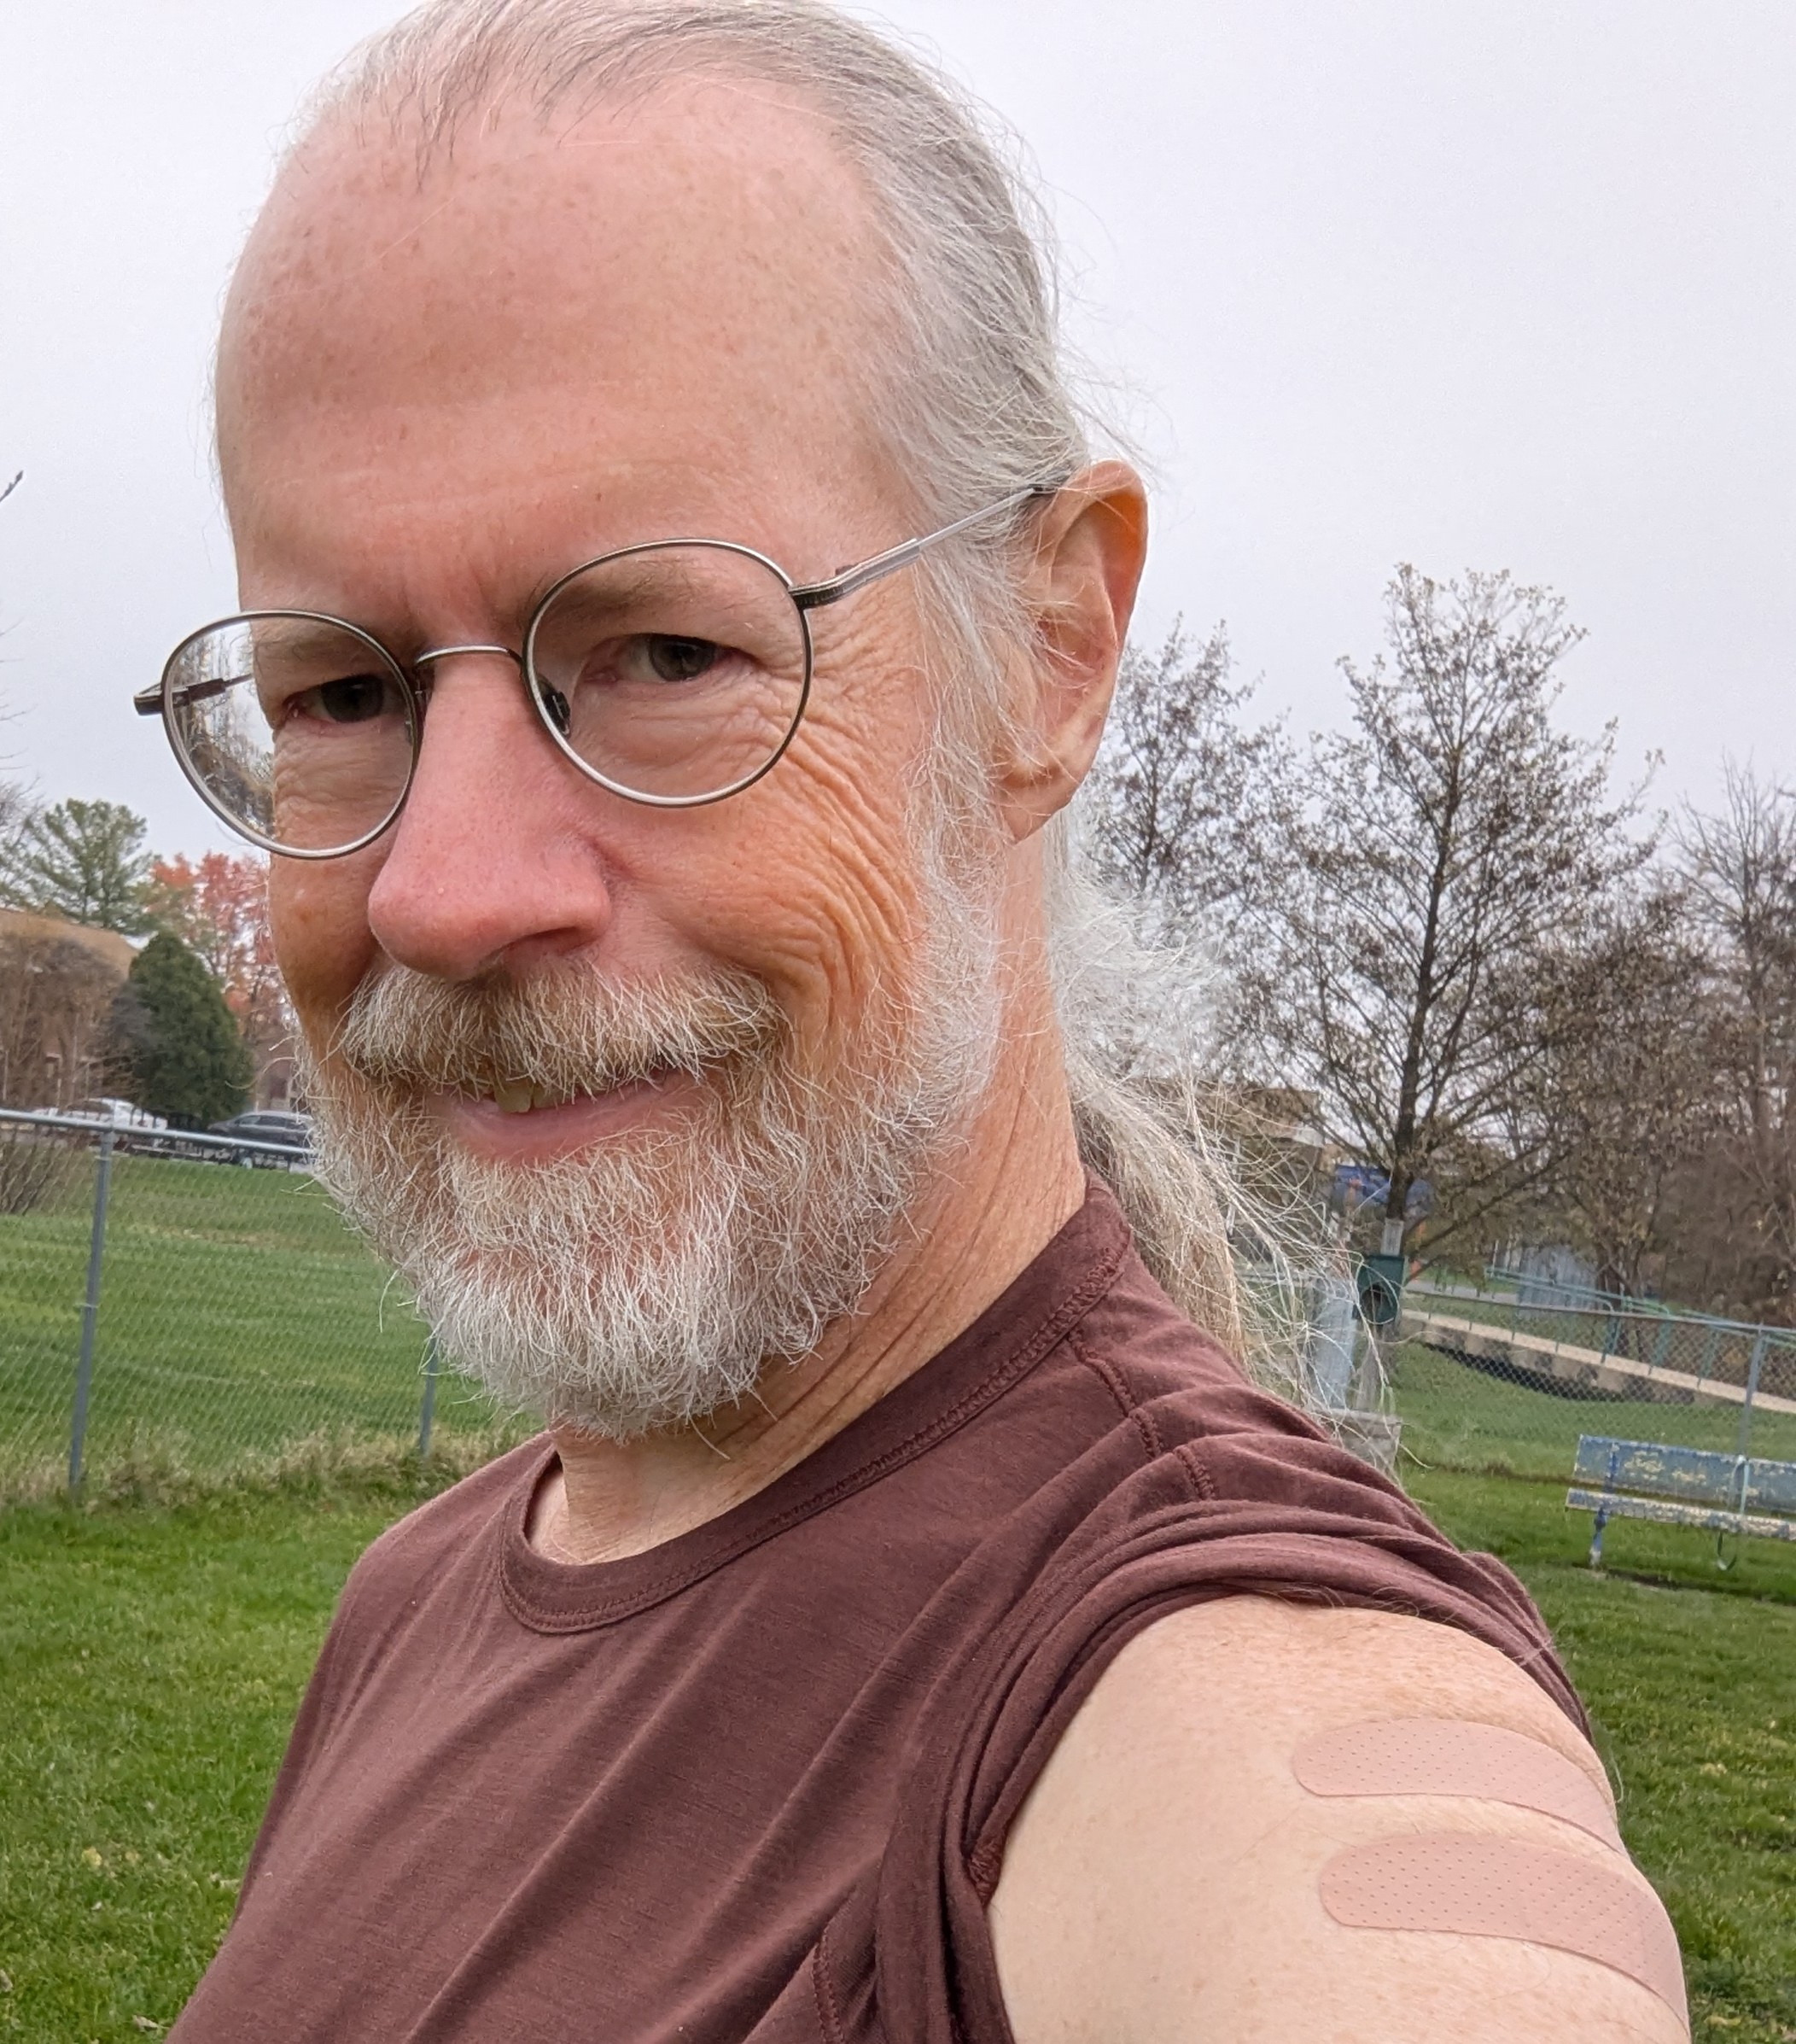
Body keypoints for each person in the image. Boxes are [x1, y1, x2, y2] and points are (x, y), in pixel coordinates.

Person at [146, 2, 1688, 2037]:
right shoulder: (423, 1592)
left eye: (664, 651)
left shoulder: (1236, 1741)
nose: (441, 892)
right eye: (339, 693)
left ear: (1049, 651)